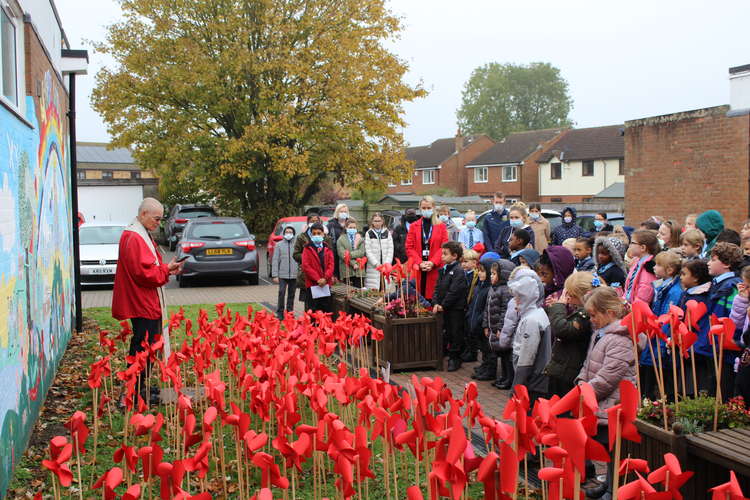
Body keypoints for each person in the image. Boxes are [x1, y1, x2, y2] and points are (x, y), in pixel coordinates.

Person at [112, 198, 183, 405]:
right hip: (142, 302)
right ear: (143, 214)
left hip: (144, 300)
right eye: (156, 218)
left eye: (161, 219)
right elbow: (144, 273)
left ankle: (139, 387)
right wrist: (166, 270)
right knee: (143, 347)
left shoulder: (138, 234)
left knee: (147, 345)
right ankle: (134, 393)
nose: (158, 224)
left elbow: (148, 267)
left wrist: (165, 268)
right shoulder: (134, 237)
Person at [578, 286, 643, 500]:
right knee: (608, 448)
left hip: (614, 402)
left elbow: (608, 377)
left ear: (610, 313)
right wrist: (580, 381)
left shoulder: (621, 338)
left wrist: (586, 392)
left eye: (594, 315)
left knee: (615, 449)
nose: (591, 320)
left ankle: (613, 489)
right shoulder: (601, 333)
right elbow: (589, 364)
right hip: (599, 401)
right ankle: (607, 484)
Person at [640, 251, 683, 400]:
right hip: (654, 335)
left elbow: (666, 317)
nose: (654, 268)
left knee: (655, 377)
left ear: (669, 270)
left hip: (659, 339)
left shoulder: (674, 292)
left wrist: (659, 334)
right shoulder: (664, 286)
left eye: (658, 265)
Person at [544, 271, 595, 397]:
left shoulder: (585, 315)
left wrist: (559, 307)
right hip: (565, 367)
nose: (568, 299)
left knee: (559, 408)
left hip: (568, 370)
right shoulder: (580, 311)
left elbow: (562, 329)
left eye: (571, 295)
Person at [508, 266, 552, 402]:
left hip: (532, 382)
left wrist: (517, 385)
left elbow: (527, 356)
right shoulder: (536, 313)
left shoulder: (531, 320)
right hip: (534, 379)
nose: (515, 302)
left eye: (517, 297)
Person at [432, 241, 468, 372]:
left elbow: (454, 291)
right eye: (442, 253)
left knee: (455, 333)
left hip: (455, 308)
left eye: (445, 254)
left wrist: (443, 305)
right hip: (443, 307)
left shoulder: (458, 271)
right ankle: (446, 353)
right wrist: (436, 302)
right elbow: (437, 288)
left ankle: (455, 358)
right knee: (446, 331)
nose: (442, 256)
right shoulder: (443, 270)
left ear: (454, 256)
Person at [677, 260, 712, 396]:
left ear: (696, 278)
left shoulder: (699, 298)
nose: (680, 277)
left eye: (684, 274)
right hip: (684, 343)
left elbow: (694, 323)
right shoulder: (687, 293)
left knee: (693, 381)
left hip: (694, 345)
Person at [405, 195, 449, 300]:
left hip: (435, 268)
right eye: (423, 208)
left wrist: (433, 262)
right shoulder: (413, 226)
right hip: (418, 268)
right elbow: (409, 247)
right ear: (420, 209)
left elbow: (444, 247)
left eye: (428, 208)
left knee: (433, 297)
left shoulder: (441, 226)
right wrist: (419, 262)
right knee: (416, 299)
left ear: (433, 208)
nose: (426, 210)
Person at [483, 259, 516, 387]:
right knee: (501, 354)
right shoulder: (493, 289)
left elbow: (505, 312)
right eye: (491, 273)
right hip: (493, 328)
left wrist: (501, 328)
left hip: (500, 329)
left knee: (507, 355)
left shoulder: (506, 290)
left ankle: (509, 378)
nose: (491, 276)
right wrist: (486, 325)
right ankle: (503, 377)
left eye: (494, 274)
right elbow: (487, 309)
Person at [467, 255, 495, 380]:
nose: (480, 273)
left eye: (483, 271)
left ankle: (490, 370)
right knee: (483, 349)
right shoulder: (479, 286)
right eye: (479, 270)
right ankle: (484, 366)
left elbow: (485, 309)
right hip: (476, 323)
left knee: (489, 349)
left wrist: (479, 321)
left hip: (483, 324)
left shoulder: (489, 289)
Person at [294, 213, 328, 311]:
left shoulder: (325, 237)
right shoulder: (301, 237)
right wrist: (309, 258)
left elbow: (330, 254)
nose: (314, 223)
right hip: (306, 274)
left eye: (316, 221)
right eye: (312, 221)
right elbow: (295, 254)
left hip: (322, 274)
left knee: (322, 302)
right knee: (308, 302)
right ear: (308, 223)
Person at [301, 223, 334, 313]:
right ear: (311, 235)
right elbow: (306, 266)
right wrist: (318, 279)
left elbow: (331, 265)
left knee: (326, 310)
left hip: (326, 284)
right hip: (313, 285)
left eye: (319, 233)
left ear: (323, 234)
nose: (316, 235)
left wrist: (325, 278)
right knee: (314, 311)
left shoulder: (328, 248)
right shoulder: (307, 248)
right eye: (314, 233)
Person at [730, 266, 750, 402]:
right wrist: (742, 300)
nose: (744, 289)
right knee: (741, 387)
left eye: (747, 286)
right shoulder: (746, 299)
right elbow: (735, 323)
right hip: (746, 350)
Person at [624, 230, 658, 304]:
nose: (629, 245)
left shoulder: (649, 268)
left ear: (643, 248)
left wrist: (631, 308)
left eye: (632, 243)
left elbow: (643, 298)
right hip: (629, 305)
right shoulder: (637, 262)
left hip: (636, 310)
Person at [271, 225, 299, 319]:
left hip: (294, 275)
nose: (288, 234)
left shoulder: (296, 244)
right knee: (281, 293)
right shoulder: (279, 245)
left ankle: (290, 312)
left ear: (293, 234)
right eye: (287, 232)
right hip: (282, 275)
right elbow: (275, 260)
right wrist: (275, 275)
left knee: (292, 294)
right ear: (284, 234)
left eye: (290, 232)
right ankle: (280, 313)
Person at [364, 213, 394, 290]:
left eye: (379, 221)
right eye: (375, 221)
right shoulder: (369, 233)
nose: (377, 223)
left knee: (385, 288)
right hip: (374, 266)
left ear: (382, 221)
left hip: (385, 265)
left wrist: (387, 263)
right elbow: (368, 250)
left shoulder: (387, 232)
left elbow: (390, 248)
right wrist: (376, 264)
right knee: (374, 289)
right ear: (372, 222)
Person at [460, 249, 481, 362]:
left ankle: (472, 352)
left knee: (470, 329)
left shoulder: (476, 275)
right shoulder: (463, 274)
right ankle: (467, 350)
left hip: (471, 304)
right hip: (464, 304)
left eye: (466, 262)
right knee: (464, 330)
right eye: (462, 262)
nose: (463, 264)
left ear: (474, 263)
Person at [336, 218, 366, 289]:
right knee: (348, 291)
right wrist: (353, 263)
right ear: (346, 228)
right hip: (347, 270)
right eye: (350, 227)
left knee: (359, 291)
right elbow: (342, 254)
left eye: (354, 227)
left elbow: (361, 252)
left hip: (359, 270)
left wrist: (350, 254)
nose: (352, 229)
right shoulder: (341, 239)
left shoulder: (360, 238)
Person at [328, 203, 350, 279]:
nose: (343, 213)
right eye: (341, 211)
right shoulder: (331, 225)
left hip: (347, 257)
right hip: (334, 256)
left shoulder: (350, 224)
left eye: (345, 212)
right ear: (337, 213)